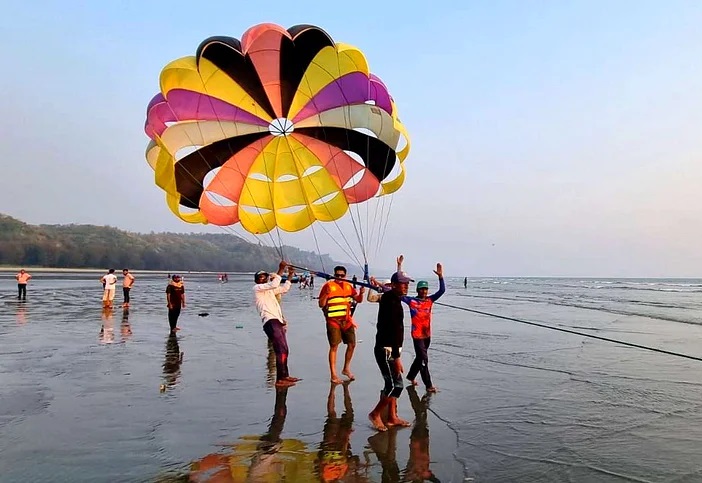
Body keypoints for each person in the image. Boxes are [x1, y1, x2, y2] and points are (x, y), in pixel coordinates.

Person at [368, 270, 413, 432]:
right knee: (395, 385)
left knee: (395, 384)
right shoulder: (391, 302)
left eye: (407, 283)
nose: (406, 286)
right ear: (394, 285)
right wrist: (397, 356)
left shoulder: (392, 298)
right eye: (403, 283)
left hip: (391, 349)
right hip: (386, 350)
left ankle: (392, 417)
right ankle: (375, 414)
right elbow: (394, 330)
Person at [254, 261, 300, 387]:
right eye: (261, 277)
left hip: (277, 321)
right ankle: (280, 379)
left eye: (265, 276)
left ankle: (285, 375)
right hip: (270, 321)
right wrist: (281, 268)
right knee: (280, 350)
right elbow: (275, 283)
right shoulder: (257, 289)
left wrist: (290, 275)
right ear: (257, 280)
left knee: (284, 349)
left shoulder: (269, 291)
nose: (263, 278)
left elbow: (284, 288)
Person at [318, 265, 365, 384]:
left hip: (347, 320)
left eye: (342, 275)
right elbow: (321, 304)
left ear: (345, 276)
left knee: (352, 344)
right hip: (333, 321)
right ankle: (333, 374)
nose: (339, 277)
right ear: (334, 275)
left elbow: (358, 300)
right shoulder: (328, 286)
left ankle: (346, 368)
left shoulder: (348, 286)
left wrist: (361, 293)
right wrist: (325, 295)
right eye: (337, 275)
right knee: (334, 346)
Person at [403, 264, 445, 392]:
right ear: (417, 290)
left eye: (426, 289)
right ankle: (429, 385)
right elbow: (396, 294)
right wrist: (381, 287)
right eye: (421, 289)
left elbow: (442, 291)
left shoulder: (430, 300)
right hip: (417, 335)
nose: (424, 291)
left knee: (420, 357)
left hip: (427, 335)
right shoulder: (411, 301)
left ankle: (410, 376)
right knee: (423, 359)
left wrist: (441, 277)